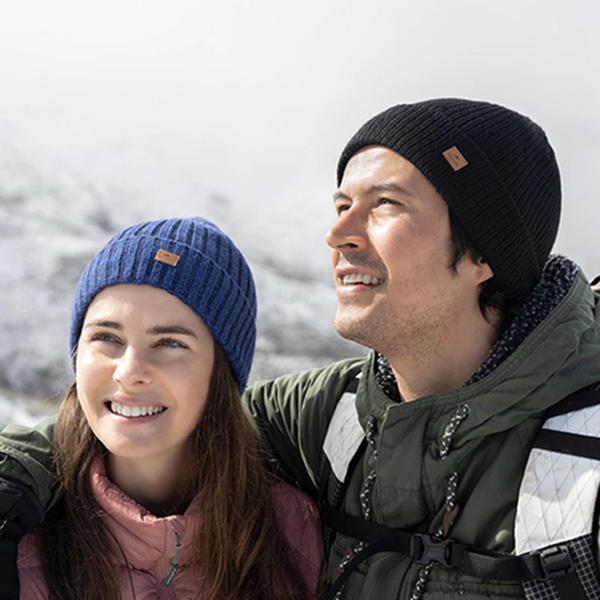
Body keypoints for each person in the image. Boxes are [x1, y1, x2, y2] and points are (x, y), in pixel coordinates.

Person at [1, 98, 599, 600]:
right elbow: (149, 417)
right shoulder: (327, 411)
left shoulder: (586, 448)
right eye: (342, 207)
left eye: (385, 204)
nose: (337, 233)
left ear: (484, 253)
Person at [7, 217, 325, 599]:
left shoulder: (289, 532)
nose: (130, 372)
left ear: (220, 372)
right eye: (106, 337)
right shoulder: (20, 539)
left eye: (170, 343)